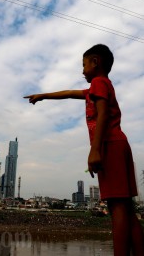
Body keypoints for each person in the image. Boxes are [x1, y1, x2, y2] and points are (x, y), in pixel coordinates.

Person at [24, 44, 144, 256]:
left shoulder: (98, 82)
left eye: (84, 65)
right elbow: (70, 93)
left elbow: (103, 116)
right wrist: (43, 95)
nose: (82, 71)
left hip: (110, 146)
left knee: (117, 208)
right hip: (119, 144)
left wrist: (95, 150)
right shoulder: (102, 85)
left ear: (95, 62)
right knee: (126, 208)